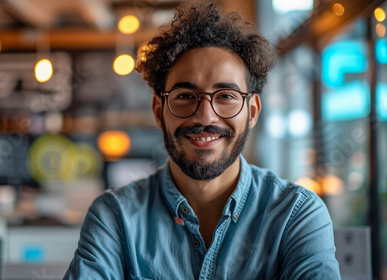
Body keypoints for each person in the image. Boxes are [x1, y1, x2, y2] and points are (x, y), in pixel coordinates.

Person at [64, 2, 340, 279]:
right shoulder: (115, 217)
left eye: (226, 96)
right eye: (185, 96)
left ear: (253, 111)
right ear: (159, 112)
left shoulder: (296, 214)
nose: (205, 116)